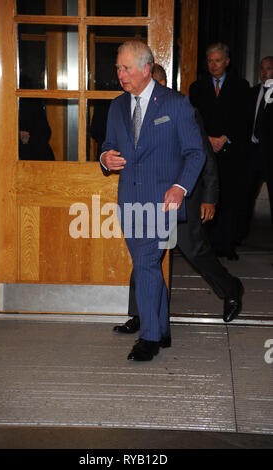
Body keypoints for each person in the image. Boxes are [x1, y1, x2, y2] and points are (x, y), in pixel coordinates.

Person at [114, 64, 244, 336]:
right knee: (144, 254)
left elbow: (204, 155)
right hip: (150, 198)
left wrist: (210, 197)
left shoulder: (182, 110)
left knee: (193, 250)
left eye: (159, 84)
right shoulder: (132, 110)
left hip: (183, 198)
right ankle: (140, 315)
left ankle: (231, 288)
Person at [101, 41, 206, 361]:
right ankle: (160, 328)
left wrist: (180, 187)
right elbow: (107, 143)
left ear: (146, 70)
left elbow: (196, 152)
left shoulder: (176, 104)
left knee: (146, 263)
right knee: (146, 266)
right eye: (118, 67)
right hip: (129, 200)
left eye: (126, 68)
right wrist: (106, 158)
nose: (120, 74)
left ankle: (149, 338)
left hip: (163, 201)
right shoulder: (117, 105)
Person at [189, 43, 250, 260]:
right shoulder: (196, 88)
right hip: (206, 150)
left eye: (217, 60)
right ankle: (212, 245)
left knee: (231, 199)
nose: (213, 65)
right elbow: (193, 120)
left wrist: (224, 138)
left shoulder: (241, 86)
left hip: (231, 151)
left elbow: (244, 119)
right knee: (208, 197)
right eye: (209, 61)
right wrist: (208, 139)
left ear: (226, 61)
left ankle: (228, 244)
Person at [237, 56, 273, 243]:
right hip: (252, 153)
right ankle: (238, 236)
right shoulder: (252, 93)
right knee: (245, 197)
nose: (264, 72)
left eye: (268, 68)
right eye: (261, 68)